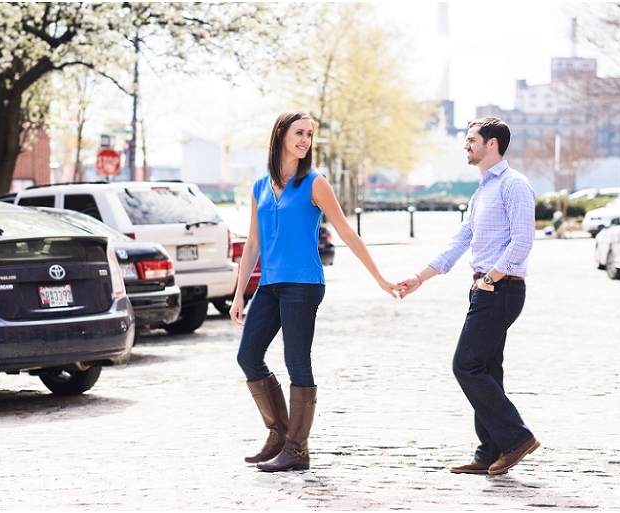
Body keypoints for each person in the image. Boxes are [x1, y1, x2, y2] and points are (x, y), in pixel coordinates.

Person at [230, 111, 401, 472]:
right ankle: (279, 434)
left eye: (309, 134)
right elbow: (252, 244)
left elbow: (347, 232)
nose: (306, 139)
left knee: (296, 361)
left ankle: (297, 449)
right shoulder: (260, 186)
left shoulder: (315, 183)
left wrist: (380, 278)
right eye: (299, 132)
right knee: (248, 357)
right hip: (270, 284)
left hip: (304, 284)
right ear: (280, 135)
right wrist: (239, 294)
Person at [397, 117, 540, 476]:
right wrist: (420, 277)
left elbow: (522, 240)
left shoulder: (515, 185)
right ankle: (489, 453)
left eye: (471, 139)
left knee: (466, 364)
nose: (466, 145)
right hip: (485, 288)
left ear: (492, 143)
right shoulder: (483, 191)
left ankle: (517, 437)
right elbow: (460, 241)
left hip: (501, 288)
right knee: (487, 369)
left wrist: (491, 278)